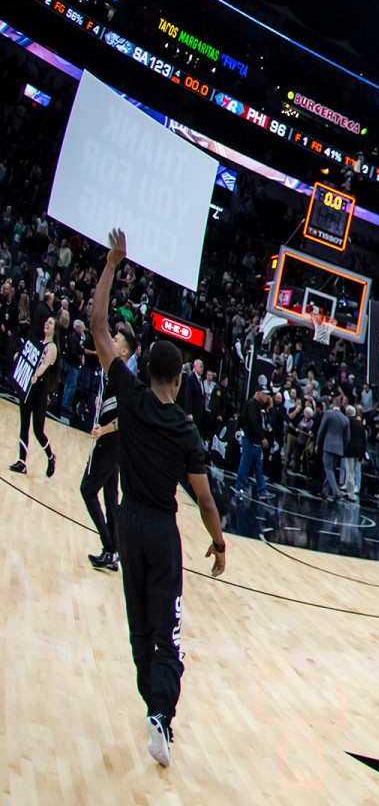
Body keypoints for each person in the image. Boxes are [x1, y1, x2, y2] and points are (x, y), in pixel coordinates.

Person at [88, 229, 228, 767]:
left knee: (140, 630)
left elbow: (98, 324)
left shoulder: (129, 395)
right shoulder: (186, 431)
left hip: (127, 522)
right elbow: (206, 501)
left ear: (146, 370)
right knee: (167, 634)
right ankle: (161, 716)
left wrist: (112, 263)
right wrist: (218, 543)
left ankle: (154, 710)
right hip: (163, 533)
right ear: (180, 376)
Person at [82, 321, 137, 571]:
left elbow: (125, 418)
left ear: (124, 352)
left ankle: (110, 548)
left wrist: (103, 429)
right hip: (113, 446)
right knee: (111, 499)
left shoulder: (126, 379)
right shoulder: (112, 372)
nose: (111, 341)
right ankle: (115, 554)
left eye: (115, 340)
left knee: (87, 490)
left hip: (112, 444)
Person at [12, 314, 60, 475]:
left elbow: (44, 365)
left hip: (39, 390)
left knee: (38, 430)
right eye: (46, 321)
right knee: (24, 425)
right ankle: (22, 461)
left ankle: (51, 457)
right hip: (28, 388)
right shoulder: (37, 343)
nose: (47, 323)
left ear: (55, 330)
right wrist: (18, 356)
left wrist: (36, 375)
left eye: (50, 323)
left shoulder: (52, 347)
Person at [319, 391, 350, 500]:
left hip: (328, 445)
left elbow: (321, 430)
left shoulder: (328, 413)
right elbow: (348, 438)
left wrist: (318, 443)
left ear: (333, 403)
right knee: (331, 469)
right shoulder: (345, 419)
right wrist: (343, 448)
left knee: (328, 468)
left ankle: (336, 491)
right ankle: (325, 491)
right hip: (339, 448)